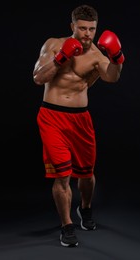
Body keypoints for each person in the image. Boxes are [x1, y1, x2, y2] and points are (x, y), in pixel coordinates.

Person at [32, 4, 124, 247]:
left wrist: (118, 57)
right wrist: (61, 57)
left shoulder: (96, 56)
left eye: (91, 29)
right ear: (72, 26)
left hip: (80, 119)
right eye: (82, 28)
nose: (86, 34)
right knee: (62, 175)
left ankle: (85, 208)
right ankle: (67, 225)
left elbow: (112, 77)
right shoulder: (53, 44)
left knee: (87, 175)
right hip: (51, 115)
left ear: (96, 29)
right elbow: (38, 78)